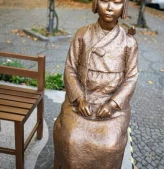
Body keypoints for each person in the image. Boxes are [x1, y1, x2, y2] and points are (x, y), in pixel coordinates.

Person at [53, 0, 138, 168]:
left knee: (110, 144)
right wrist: (78, 98)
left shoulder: (129, 42)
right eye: (105, 1)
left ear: (124, 7)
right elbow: (70, 68)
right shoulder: (83, 34)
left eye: (117, 2)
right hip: (82, 99)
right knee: (71, 138)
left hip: (112, 106)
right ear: (96, 4)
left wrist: (113, 104)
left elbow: (132, 77)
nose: (110, 7)